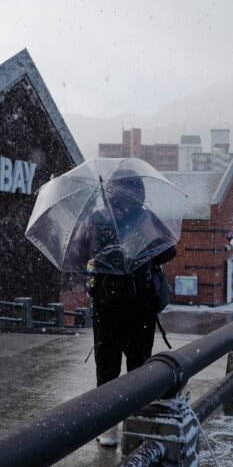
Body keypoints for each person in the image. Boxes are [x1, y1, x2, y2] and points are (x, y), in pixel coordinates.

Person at [67, 172, 177, 447]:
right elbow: (168, 252)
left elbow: (76, 256)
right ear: (138, 192)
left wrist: (97, 267)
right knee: (139, 369)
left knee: (107, 368)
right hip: (140, 306)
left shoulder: (94, 219)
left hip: (106, 305)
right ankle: (135, 425)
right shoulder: (146, 218)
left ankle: (108, 429)